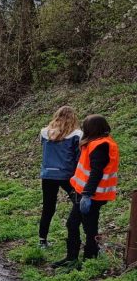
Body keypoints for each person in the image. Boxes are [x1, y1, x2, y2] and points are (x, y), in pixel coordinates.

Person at [52, 115, 120, 268]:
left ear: (92, 129)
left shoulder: (101, 146)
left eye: (85, 127)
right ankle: (72, 257)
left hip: (92, 195)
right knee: (72, 224)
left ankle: (89, 259)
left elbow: (96, 173)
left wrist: (87, 195)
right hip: (84, 193)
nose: (83, 129)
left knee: (89, 228)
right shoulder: (95, 143)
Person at [38, 106, 82, 249]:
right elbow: (78, 157)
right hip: (67, 175)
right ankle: (82, 238)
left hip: (48, 174)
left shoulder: (45, 132)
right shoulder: (76, 134)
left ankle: (42, 240)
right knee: (79, 204)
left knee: (48, 207)